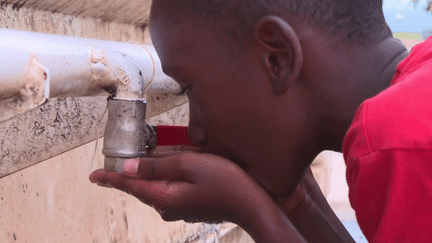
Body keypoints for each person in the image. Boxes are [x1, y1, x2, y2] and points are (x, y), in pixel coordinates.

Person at [89, 0, 432, 242]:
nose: (195, 131)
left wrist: (252, 212)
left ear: (276, 58)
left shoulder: (398, 143)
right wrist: (299, 207)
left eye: (191, 89)